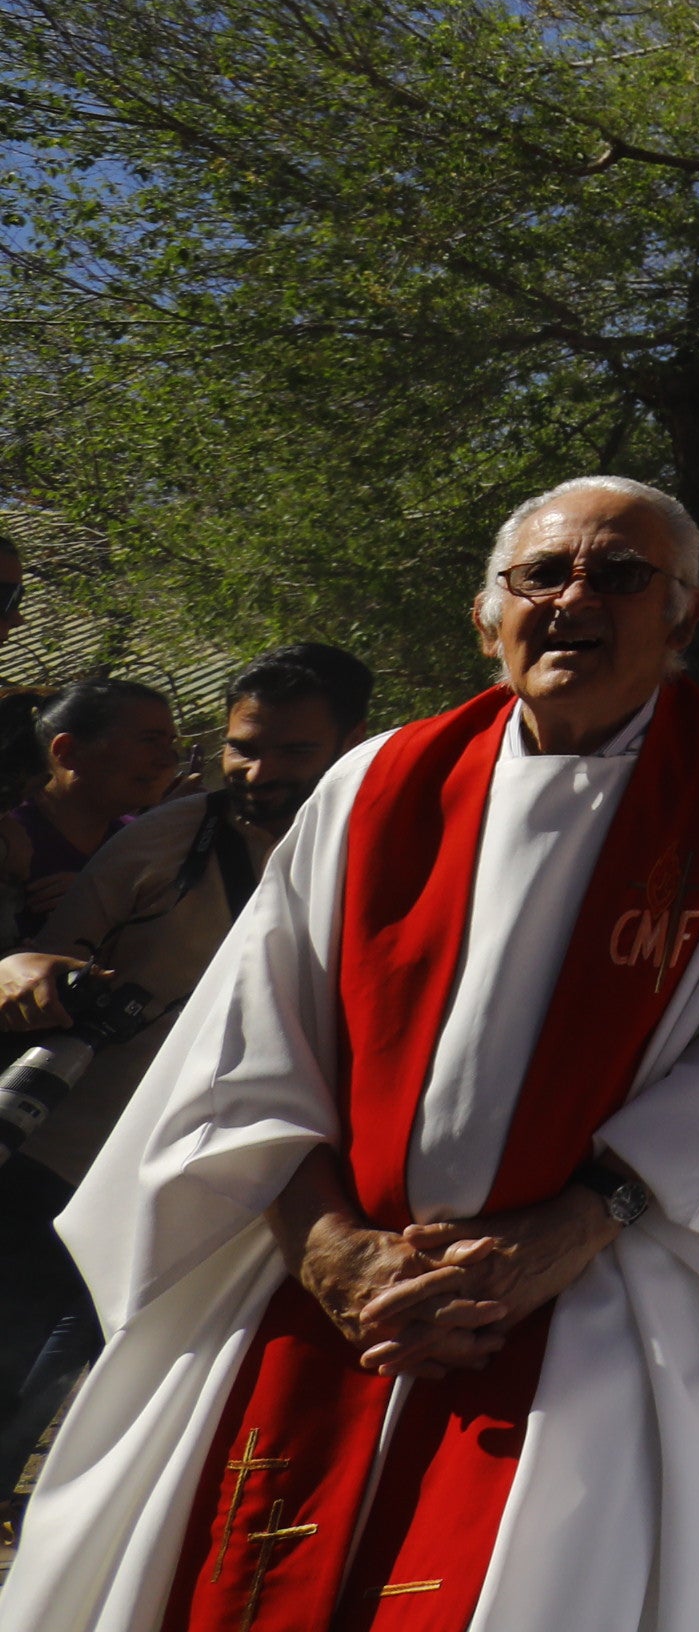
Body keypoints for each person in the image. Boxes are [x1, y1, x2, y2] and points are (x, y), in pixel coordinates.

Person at [0, 478, 699, 1632]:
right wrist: (332, 1251)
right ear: (484, 615)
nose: (573, 600)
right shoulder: (377, 782)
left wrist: (573, 1225)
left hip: (590, 1284)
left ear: (683, 618)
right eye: (541, 576)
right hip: (329, 1283)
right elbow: (251, 1043)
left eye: (620, 576)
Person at [0, 647, 372, 1529]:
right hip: (76, 1159)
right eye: (246, 747)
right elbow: (47, 970)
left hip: (232, 1182)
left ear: (351, 744)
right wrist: (48, 972)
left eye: (292, 752)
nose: (260, 771)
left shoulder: (386, 856)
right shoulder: (165, 839)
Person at [0, 676, 182, 937]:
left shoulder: (143, 843)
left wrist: (104, 901)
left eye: (170, 743)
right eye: (149, 741)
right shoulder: (11, 841)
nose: (167, 760)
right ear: (68, 751)